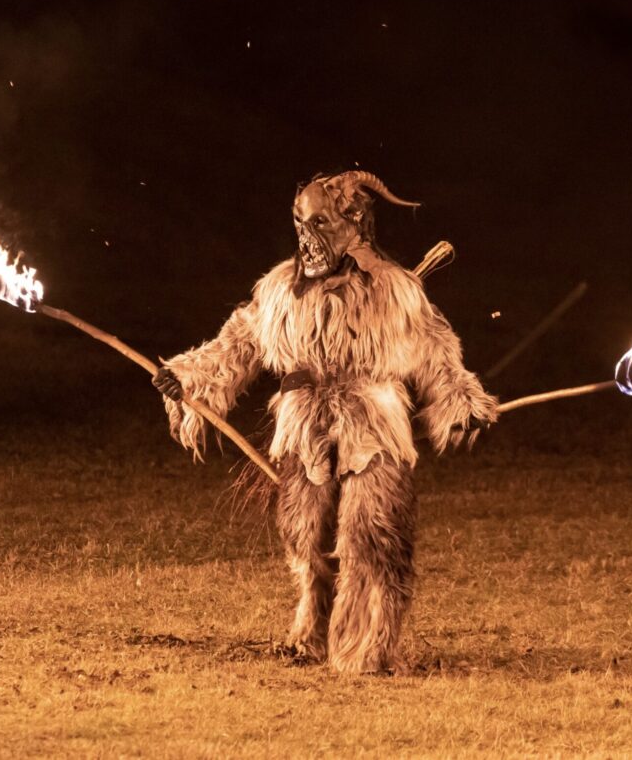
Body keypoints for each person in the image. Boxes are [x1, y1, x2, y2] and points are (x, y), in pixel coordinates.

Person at [152, 170, 496, 673]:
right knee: (307, 536)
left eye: (320, 223)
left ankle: (369, 649)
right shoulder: (280, 290)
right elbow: (240, 341)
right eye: (300, 223)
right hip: (304, 426)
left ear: (353, 221)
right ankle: (311, 633)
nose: (306, 236)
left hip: (372, 425)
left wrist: (462, 400)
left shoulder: (396, 292)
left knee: (372, 534)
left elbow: (436, 350)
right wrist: (188, 375)